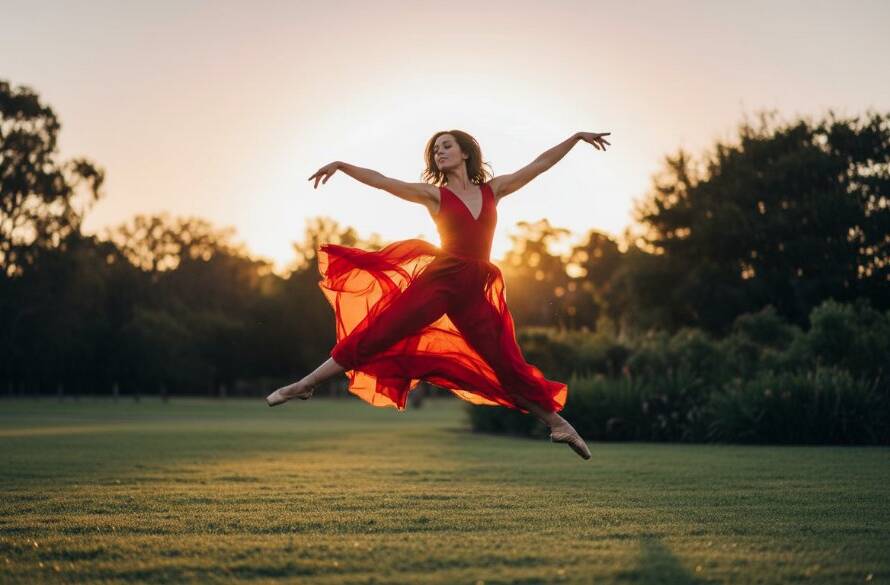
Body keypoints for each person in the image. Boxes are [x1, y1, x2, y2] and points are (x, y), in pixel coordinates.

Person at [266, 130, 610, 460]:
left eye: (446, 146)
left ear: (464, 153)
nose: (439, 153)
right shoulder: (435, 196)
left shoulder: (495, 190)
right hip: (440, 281)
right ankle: (306, 384)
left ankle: (557, 424)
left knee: (507, 364)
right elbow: (384, 181)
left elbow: (539, 164)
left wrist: (576, 138)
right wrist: (342, 165)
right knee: (378, 333)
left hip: (474, 291)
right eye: (435, 150)